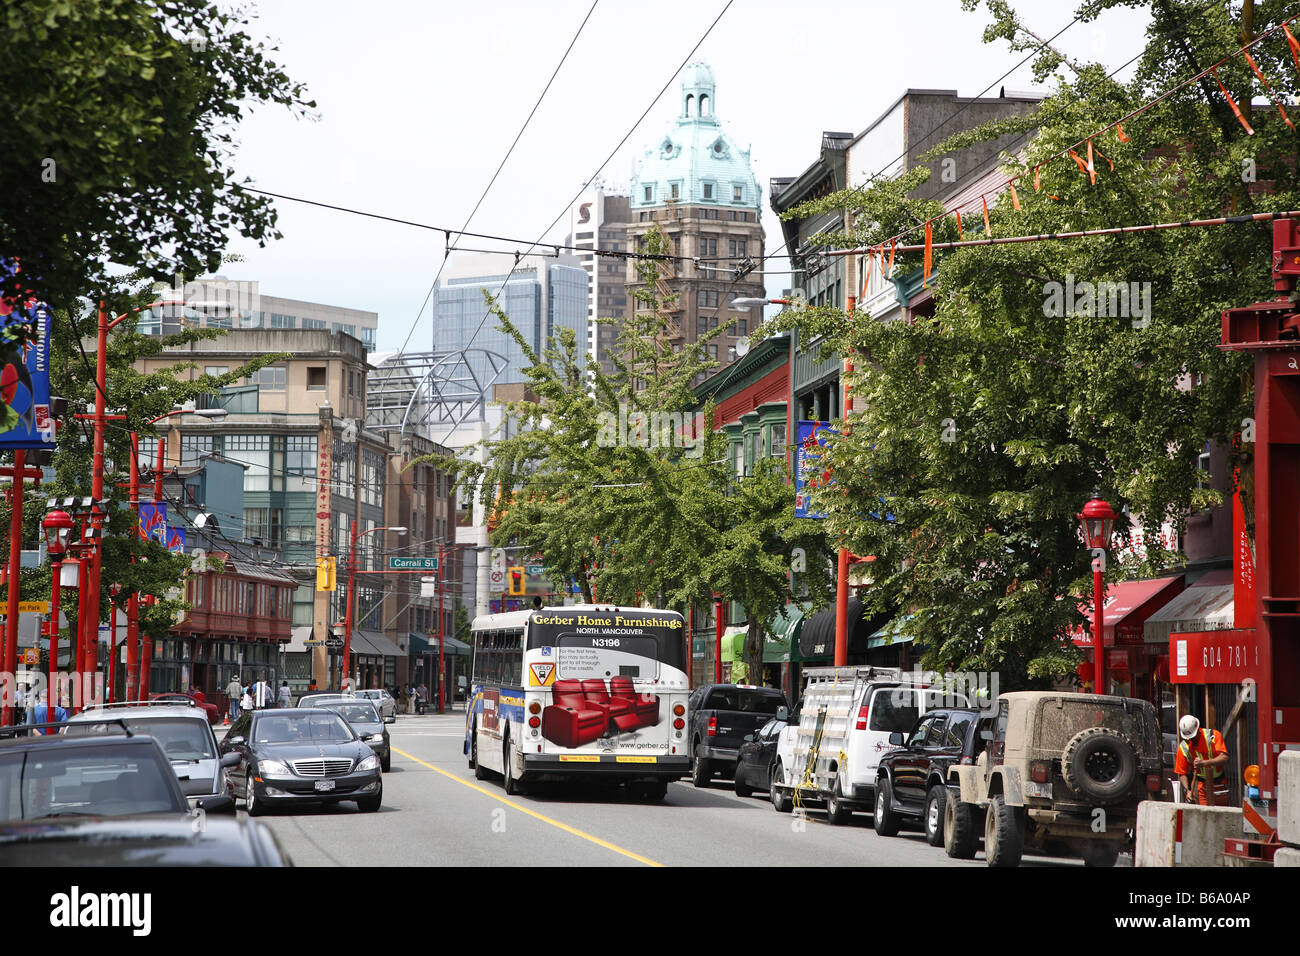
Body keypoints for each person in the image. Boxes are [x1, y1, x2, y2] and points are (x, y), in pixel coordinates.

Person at [1175, 714, 1230, 806]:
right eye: (1190, 738)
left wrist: (1204, 763)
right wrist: (1187, 790)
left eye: (1193, 737)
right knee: (1204, 815)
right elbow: (1181, 773)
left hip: (1219, 784)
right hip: (1201, 787)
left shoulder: (1213, 736)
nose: (1192, 740)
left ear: (1198, 728)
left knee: (1221, 815)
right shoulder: (1183, 747)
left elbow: (1224, 758)